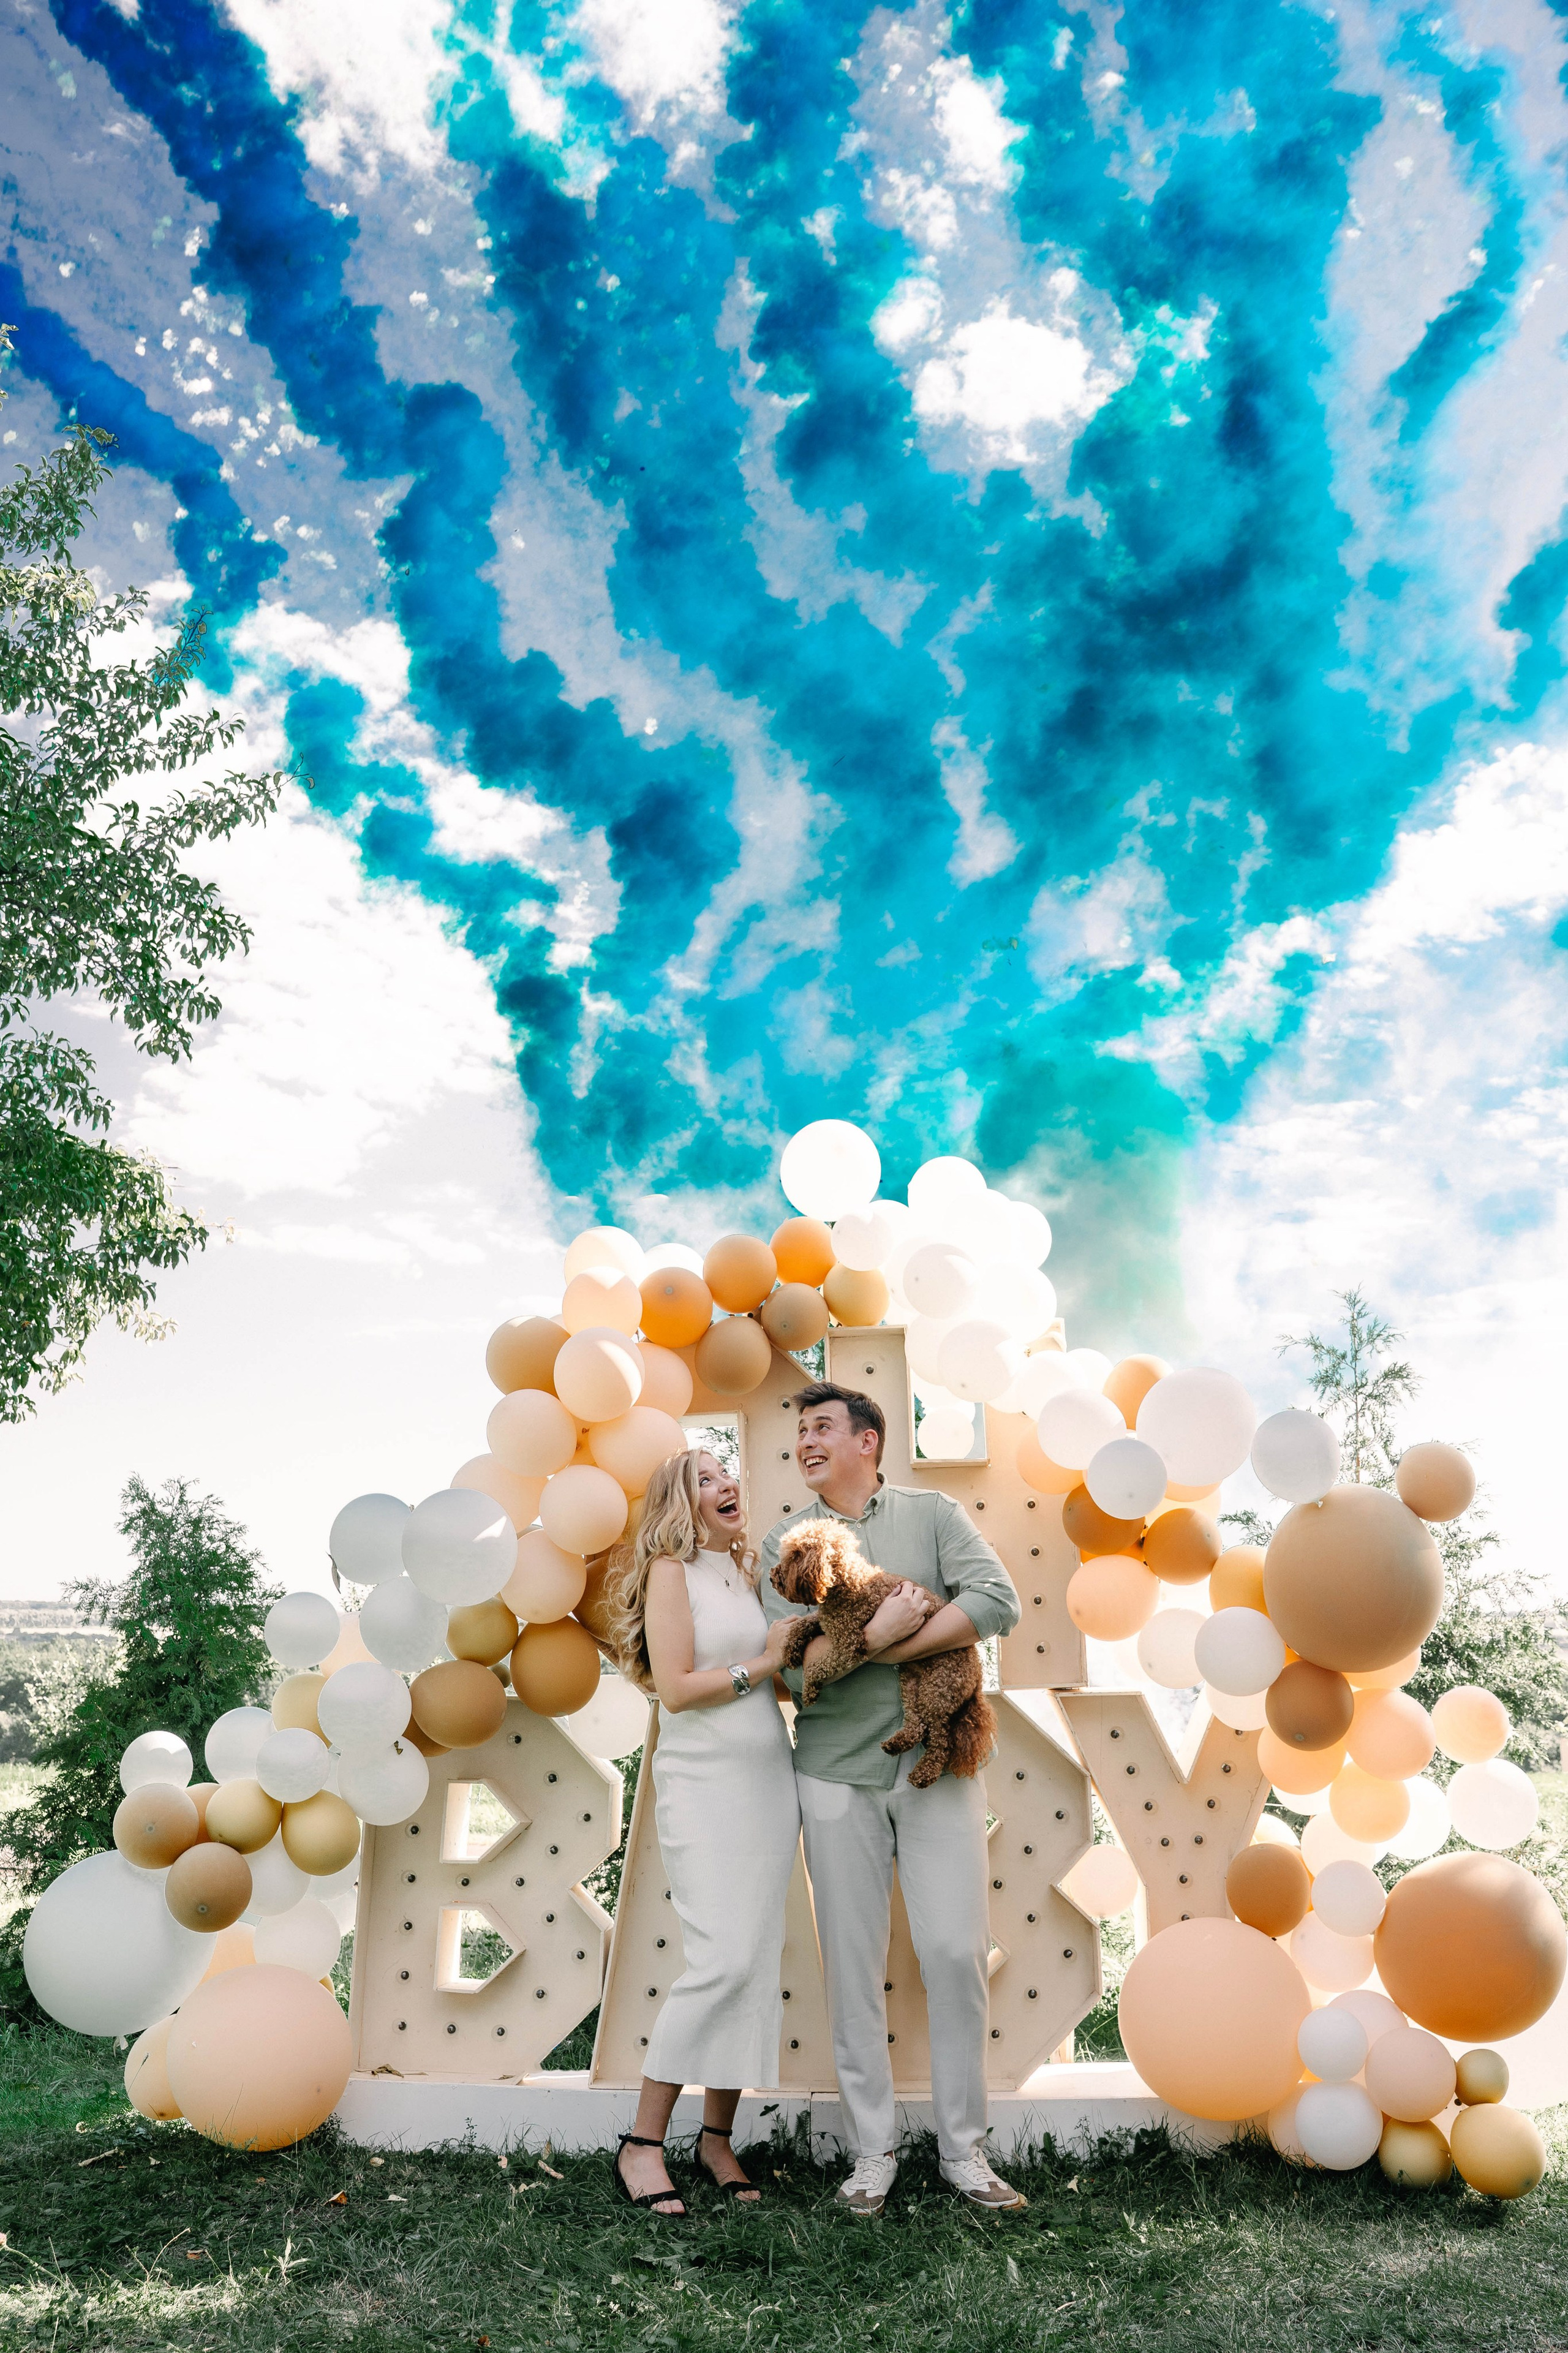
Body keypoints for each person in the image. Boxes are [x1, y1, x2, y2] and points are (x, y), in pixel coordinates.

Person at [760, 1380, 1025, 2219]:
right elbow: (791, 1673)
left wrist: (885, 1642)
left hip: (938, 1770)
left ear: (868, 1440)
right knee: (852, 1968)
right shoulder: (785, 1542)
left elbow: (996, 1602)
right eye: (800, 1430)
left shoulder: (934, 1514)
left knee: (953, 1954)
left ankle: (963, 2151)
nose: (807, 1440)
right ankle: (872, 2153)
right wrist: (874, 1641)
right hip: (833, 1771)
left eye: (823, 1427)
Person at [602, 1446, 800, 2217]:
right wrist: (765, 1662)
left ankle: (717, 2138)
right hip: (704, 1787)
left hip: (766, 1784)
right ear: (679, 1504)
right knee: (718, 1962)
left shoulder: (745, 1572)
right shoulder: (670, 1573)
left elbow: (771, 1670)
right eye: (705, 1480)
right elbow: (680, 1690)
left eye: (727, 1475)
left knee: (753, 1960)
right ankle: (643, 2143)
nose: (725, 1487)